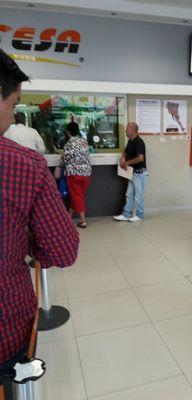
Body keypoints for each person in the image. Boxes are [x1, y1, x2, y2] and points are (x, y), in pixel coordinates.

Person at [0, 49, 79, 398]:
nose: (14, 112)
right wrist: (27, 240)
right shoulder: (23, 164)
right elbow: (63, 250)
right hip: (5, 326)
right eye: (14, 101)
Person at [114, 122, 148, 222]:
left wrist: (127, 163)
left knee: (138, 196)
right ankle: (126, 214)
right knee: (129, 194)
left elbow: (140, 158)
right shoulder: (131, 141)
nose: (125, 131)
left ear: (132, 130)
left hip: (140, 174)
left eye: (127, 129)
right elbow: (125, 151)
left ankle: (139, 215)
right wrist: (122, 158)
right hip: (132, 173)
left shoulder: (139, 142)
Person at [62, 120, 92, 228]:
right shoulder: (84, 141)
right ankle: (68, 217)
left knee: (76, 196)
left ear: (68, 132)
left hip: (74, 173)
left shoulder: (68, 144)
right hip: (86, 173)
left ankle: (83, 220)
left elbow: (65, 159)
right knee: (77, 196)